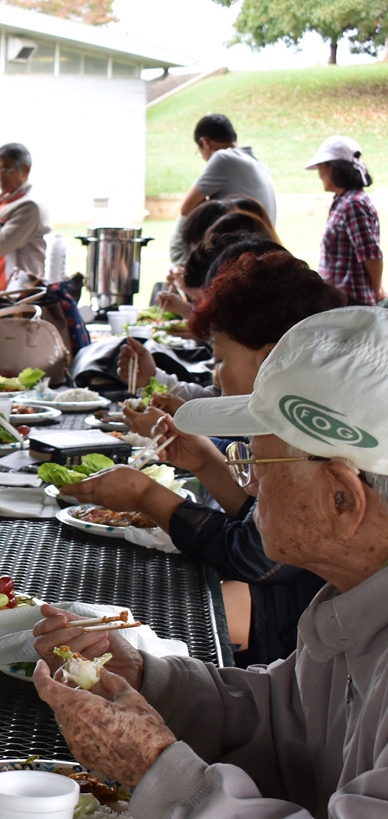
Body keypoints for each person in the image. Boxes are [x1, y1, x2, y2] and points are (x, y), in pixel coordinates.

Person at [30, 305, 388, 819]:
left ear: (343, 497)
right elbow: (288, 718)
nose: (247, 485)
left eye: (255, 461)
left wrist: (157, 771)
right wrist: (151, 678)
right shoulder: (355, 600)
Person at [62, 250, 346, 665]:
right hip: (294, 612)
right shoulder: (308, 414)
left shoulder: (310, 438)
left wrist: (146, 496)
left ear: (269, 359)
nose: (215, 374)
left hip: (302, 637)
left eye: (221, 359)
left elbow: (257, 554)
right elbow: (260, 520)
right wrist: (204, 461)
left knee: (135, 619)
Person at [168, 113, 278, 264]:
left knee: (178, 253)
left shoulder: (223, 157)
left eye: (200, 152)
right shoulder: (259, 165)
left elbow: (186, 207)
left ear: (205, 142)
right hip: (261, 250)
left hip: (238, 254)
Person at [307, 135, 382, 305]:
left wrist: (376, 291)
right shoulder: (345, 201)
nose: (319, 175)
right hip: (342, 301)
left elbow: (371, 255)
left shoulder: (353, 204)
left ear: (333, 169)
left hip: (352, 304)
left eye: (321, 167)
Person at [0, 142, 50, 290]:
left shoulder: (29, 207)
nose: (0, 176)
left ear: (25, 170)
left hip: (22, 293)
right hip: (2, 290)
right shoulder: (5, 203)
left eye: (7, 170)